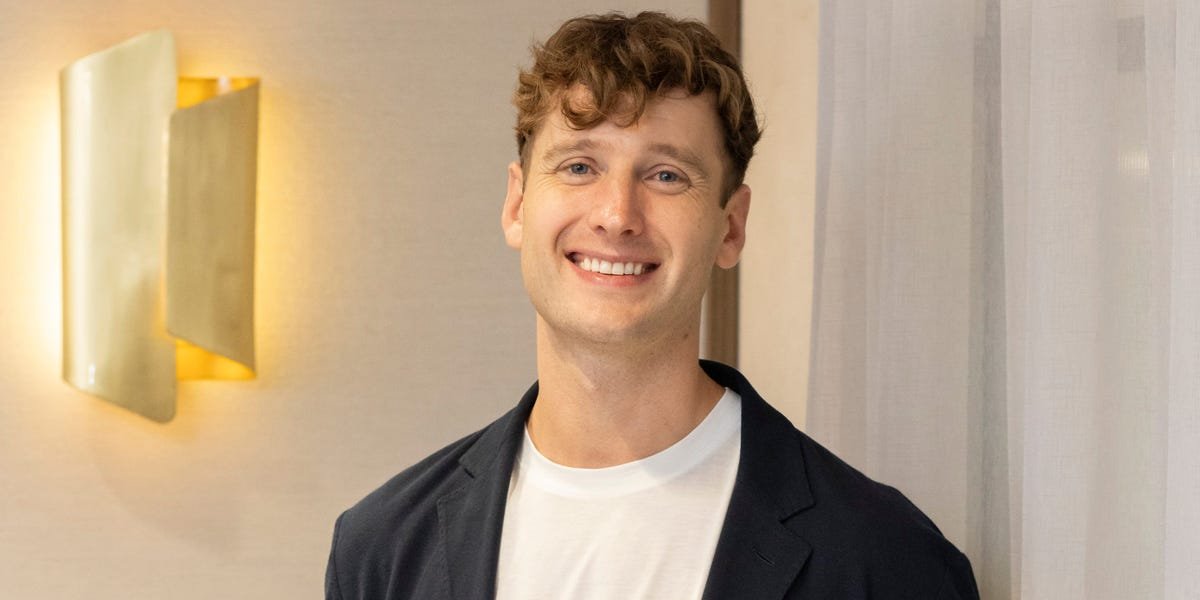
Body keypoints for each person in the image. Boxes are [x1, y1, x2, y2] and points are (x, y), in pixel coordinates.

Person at [325, 11, 979, 600]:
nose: (617, 215)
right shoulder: (381, 550)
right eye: (579, 167)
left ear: (730, 227)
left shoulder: (884, 560)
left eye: (666, 175)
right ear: (518, 204)